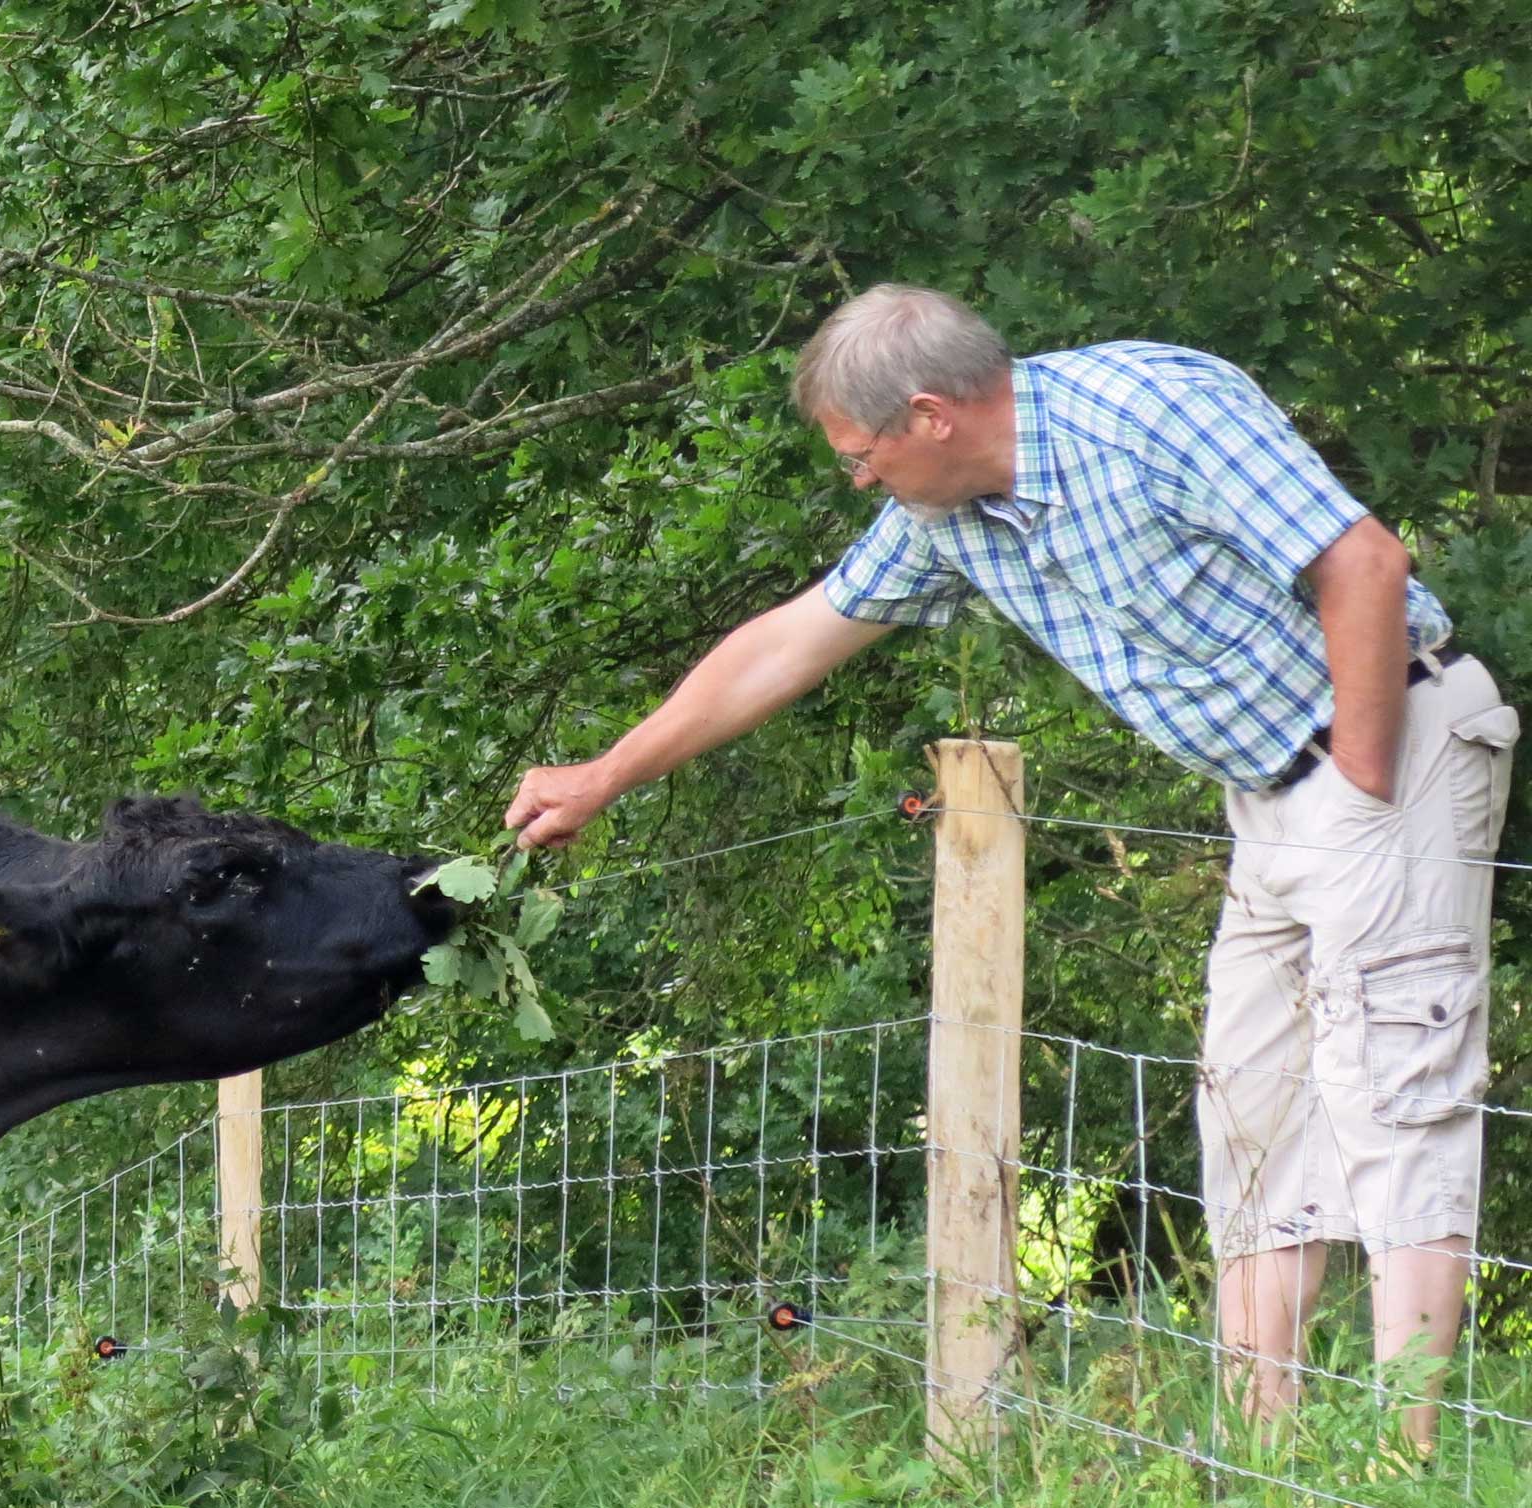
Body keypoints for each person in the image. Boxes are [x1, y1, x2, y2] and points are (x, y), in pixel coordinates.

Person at [506, 285, 1518, 1447]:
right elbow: (787, 639)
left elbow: (1365, 565)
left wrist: (1361, 782)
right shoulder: (949, 519)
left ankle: (1411, 1452)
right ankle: (1267, 1447)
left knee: (1395, 1092)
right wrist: (605, 774)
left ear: (929, 415)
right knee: (1249, 1109)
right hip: (1268, 797)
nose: (858, 480)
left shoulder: (1148, 406)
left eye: (860, 454)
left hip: (1389, 743)